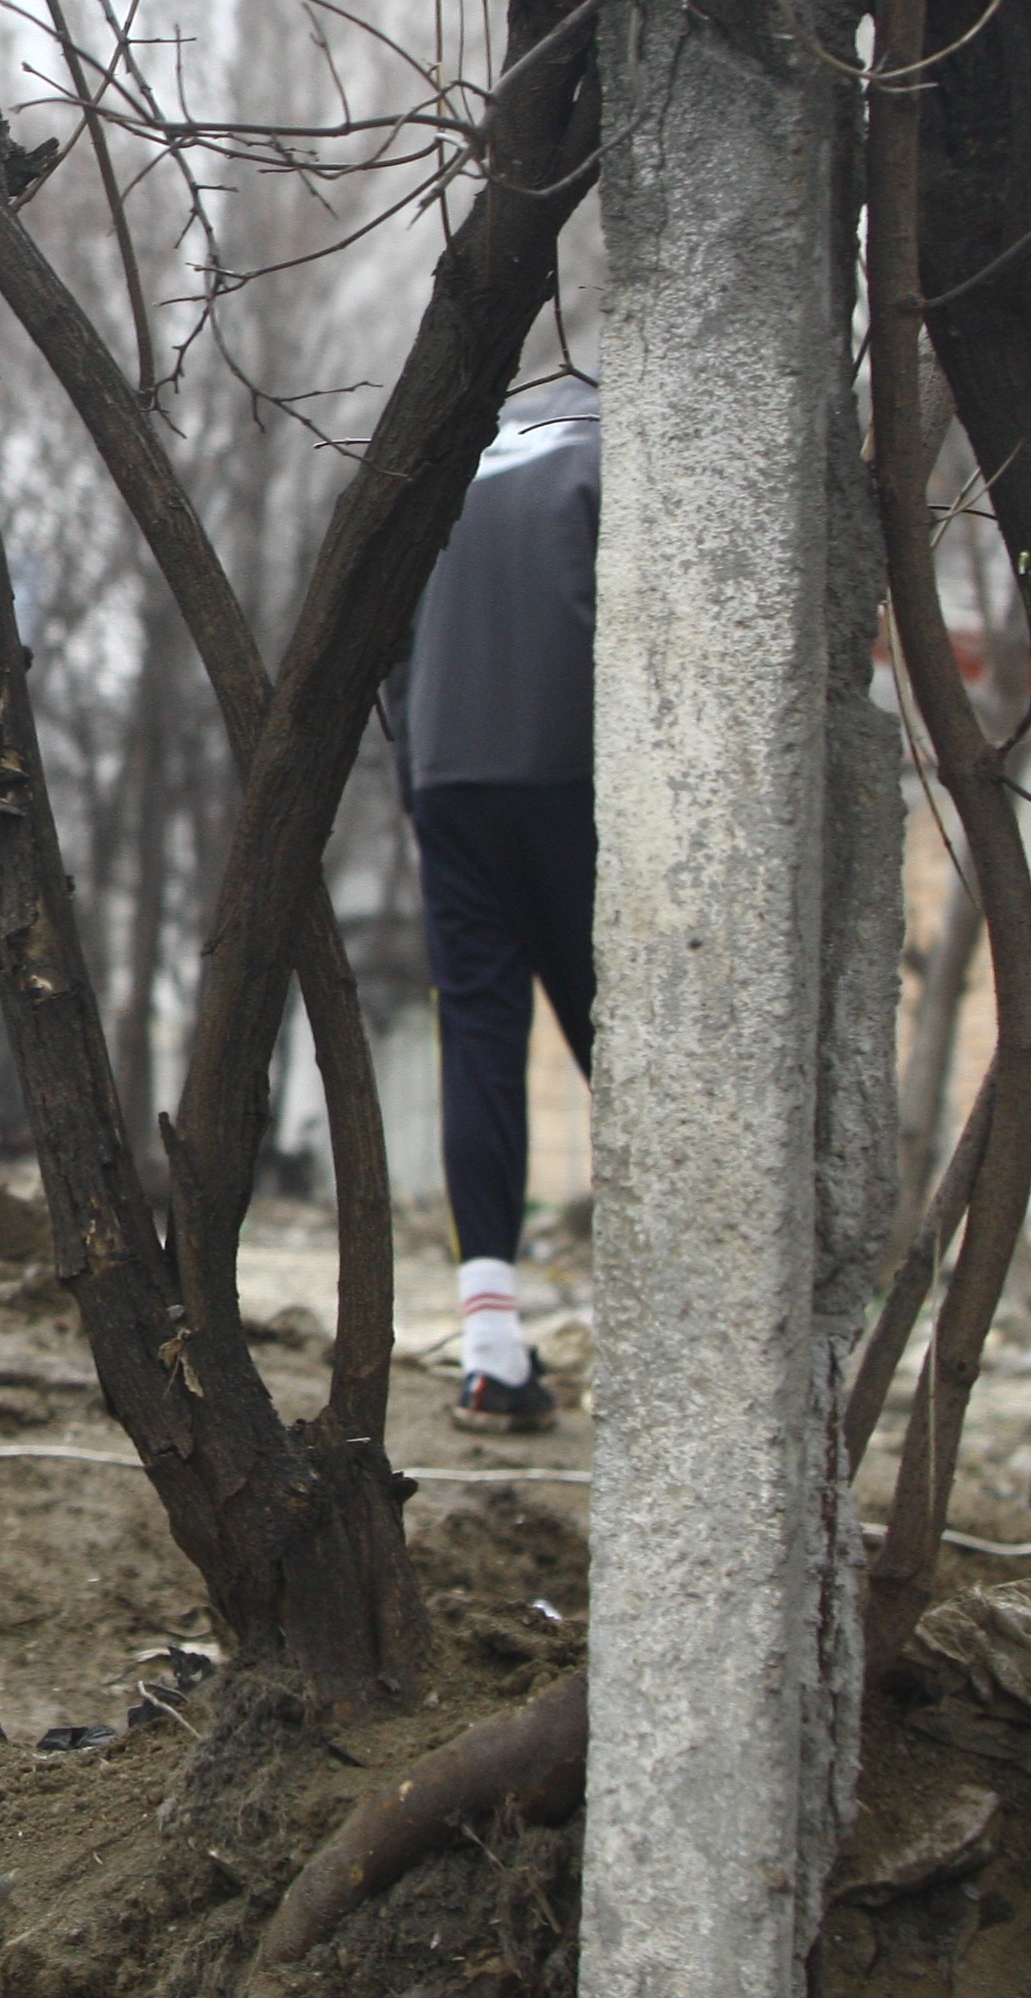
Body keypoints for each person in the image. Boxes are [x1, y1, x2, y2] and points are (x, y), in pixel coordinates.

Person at [387, 370, 599, 1430]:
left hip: (450, 774)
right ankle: (686, 1333)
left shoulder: (459, 443)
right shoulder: (627, 439)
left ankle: (490, 1346)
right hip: (575, 768)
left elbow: (385, 631)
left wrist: (414, 778)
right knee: (635, 1051)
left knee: (480, 1045)